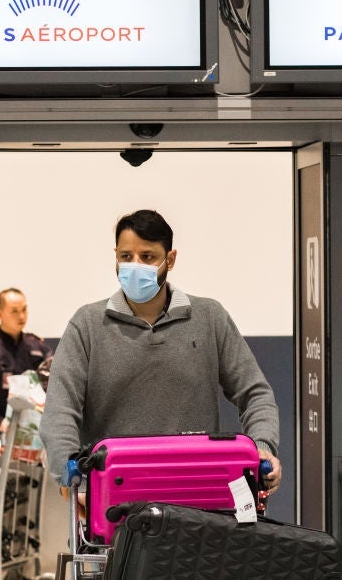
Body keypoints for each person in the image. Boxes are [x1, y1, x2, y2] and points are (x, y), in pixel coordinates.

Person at [39, 209, 282, 493]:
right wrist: (75, 480)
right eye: (126, 257)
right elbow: (59, 412)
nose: (135, 265)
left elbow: (256, 393)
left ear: (171, 259)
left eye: (148, 256)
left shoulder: (209, 318)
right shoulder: (87, 325)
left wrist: (262, 447)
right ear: (115, 256)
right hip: (115, 498)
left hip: (199, 495)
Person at [0, 288, 52, 435]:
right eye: (14, 311)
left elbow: (55, 388)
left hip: (35, 433)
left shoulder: (38, 347)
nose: (21, 316)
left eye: (24, 309)